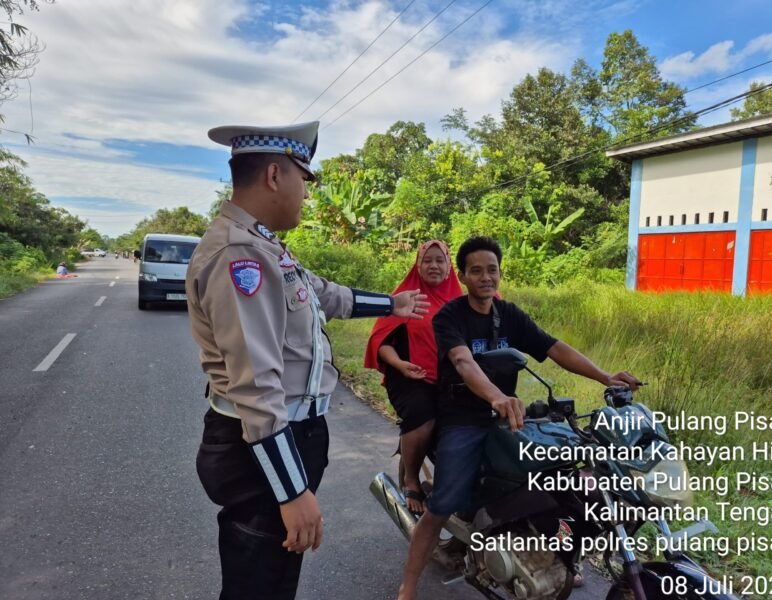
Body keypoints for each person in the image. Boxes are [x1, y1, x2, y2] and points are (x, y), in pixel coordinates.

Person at [185, 120, 429, 600]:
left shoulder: (262, 243)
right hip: (261, 448)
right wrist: (292, 491)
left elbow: (320, 293)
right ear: (275, 176)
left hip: (282, 439)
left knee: (275, 577)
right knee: (258, 584)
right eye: (304, 179)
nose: (306, 194)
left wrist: (393, 304)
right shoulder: (241, 256)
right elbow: (256, 387)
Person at [396, 236, 641, 600]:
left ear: (500, 273)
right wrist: (496, 395)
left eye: (491, 270)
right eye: (476, 271)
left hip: (506, 416)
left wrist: (605, 376)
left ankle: (553, 557)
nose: (485, 277)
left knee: (558, 481)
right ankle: (408, 586)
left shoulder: (508, 315)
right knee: (442, 504)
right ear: (462, 276)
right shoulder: (451, 316)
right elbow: (463, 362)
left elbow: (554, 347)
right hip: (463, 419)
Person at [364, 240, 462, 514]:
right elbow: (381, 341)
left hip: (451, 378)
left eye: (439, 260)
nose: (433, 265)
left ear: (448, 266)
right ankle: (411, 479)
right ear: (417, 266)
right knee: (423, 415)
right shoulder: (405, 297)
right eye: (427, 260)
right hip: (408, 375)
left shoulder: (461, 301)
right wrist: (400, 364)